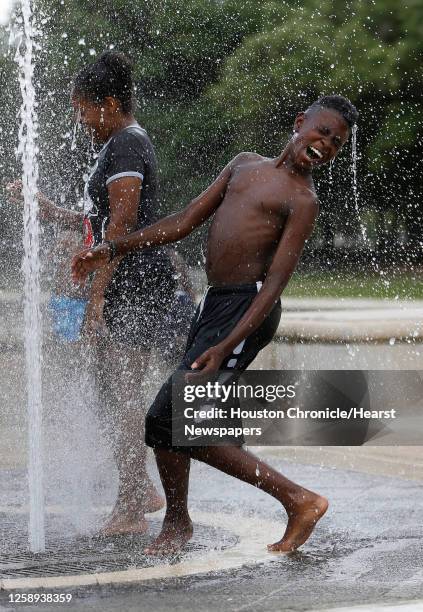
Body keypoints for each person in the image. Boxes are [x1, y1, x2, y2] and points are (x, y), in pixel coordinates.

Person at [72, 95, 358, 554]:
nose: (325, 144)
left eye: (337, 143)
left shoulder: (303, 201)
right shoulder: (244, 165)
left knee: (171, 420)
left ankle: (297, 500)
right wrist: (113, 248)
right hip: (215, 307)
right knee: (168, 421)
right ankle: (181, 520)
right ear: (300, 122)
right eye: (322, 131)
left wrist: (228, 344)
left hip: (245, 314)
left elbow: (273, 289)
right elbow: (184, 221)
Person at [9, 50, 182, 536]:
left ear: (108, 103)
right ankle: (139, 486)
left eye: (83, 109)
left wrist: (98, 303)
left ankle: (131, 505)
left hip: (134, 287)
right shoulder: (122, 145)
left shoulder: (126, 146)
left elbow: (121, 228)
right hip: (131, 283)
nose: (80, 120)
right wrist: (46, 209)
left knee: (123, 394)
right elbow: (101, 222)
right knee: (114, 392)